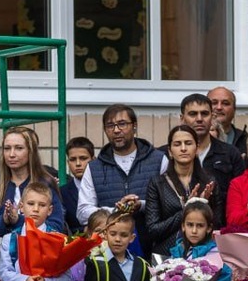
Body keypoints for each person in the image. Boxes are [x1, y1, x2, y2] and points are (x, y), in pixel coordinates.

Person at [77, 104, 165, 245]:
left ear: (134, 126)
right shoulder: (94, 167)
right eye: (110, 126)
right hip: (110, 248)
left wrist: (140, 205)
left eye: (122, 124)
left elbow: (168, 205)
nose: (116, 130)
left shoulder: (159, 159)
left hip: (153, 244)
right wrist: (115, 211)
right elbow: (82, 212)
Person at [144, 124, 221, 257]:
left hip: (203, 258)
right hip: (166, 256)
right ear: (170, 151)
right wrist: (187, 208)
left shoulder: (209, 182)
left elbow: (218, 225)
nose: (183, 148)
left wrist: (203, 206)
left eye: (188, 143)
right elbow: (152, 230)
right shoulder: (157, 183)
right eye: (178, 144)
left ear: (196, 148)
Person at [0, 127, 65, 239]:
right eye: (7, 148)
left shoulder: (46, 184)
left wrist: (19, 220)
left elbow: (56, 227)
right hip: (1, 255)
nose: (11, 154)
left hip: (39, 253)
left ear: (31, 152)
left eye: (19, 148)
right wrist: (4, 220)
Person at [168, 93, 246, 204]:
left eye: (204, 114)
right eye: (193, 114)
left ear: (212, 117)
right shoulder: (165, 154)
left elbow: (241, 194)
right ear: (182, 118)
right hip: (177, 219)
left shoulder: (230, 154)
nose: (199, 119)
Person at [62, 137, 95, 233]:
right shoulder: (62, 192)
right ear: (68, 163)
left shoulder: (104, 186)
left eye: (83, 158)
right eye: (72, 159)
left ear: (93, 160)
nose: (78, 163)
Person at [209, 86, 248, 153]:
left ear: (234, 109)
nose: (219, 107)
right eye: (214, 103)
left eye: (225, 103)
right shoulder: (194, 138)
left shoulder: (245, 140)